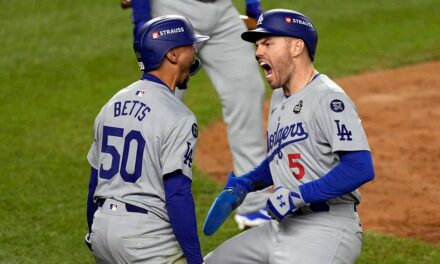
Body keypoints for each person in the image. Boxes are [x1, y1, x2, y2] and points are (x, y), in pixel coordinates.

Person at [203, 9, 375, 263]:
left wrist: (298, 195)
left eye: (268, 43)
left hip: (326, 228)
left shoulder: (328, 98)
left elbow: (360, 168)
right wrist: (246, 184)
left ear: (296, 47)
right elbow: (283, 157)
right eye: (258, 45)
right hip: (281, 226)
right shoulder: (279, 98)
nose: (258, 51)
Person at [122, 0, 271, 229]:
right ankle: (135, 201)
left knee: (247, 91)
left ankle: (254, 205)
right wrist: (141, 21)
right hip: (174, 9)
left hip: (223, 14)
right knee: (159, 102)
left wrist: (253, 5)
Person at [84, 15, 209, 263]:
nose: (194, 53)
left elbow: (94, 183)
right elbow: (177, 194)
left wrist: (94, 231)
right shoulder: (179, 116)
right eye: (189, 46)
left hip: (102, 230)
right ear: (172, 55)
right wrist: (195, 259)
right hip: (146, 240)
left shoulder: (111, 104)